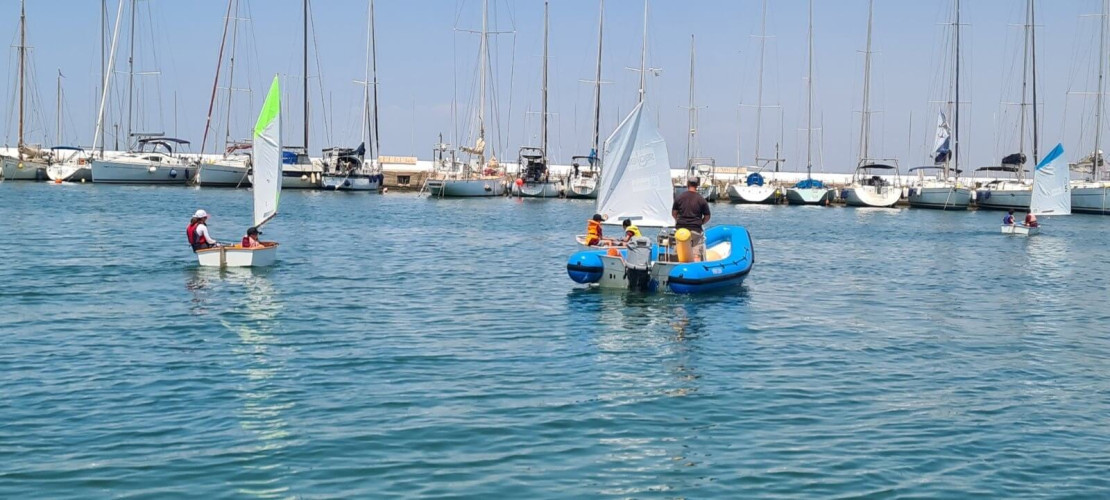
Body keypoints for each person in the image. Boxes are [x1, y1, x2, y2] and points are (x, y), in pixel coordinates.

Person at [672, 177, 711, 261]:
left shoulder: (679, 197)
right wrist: (700, 222)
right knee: (696, 254)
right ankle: (695, 267)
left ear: (687, 184)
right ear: (697, 185)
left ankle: (675, 266)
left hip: (681, 229)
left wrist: (679, 221)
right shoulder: (701, 199)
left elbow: (674, 213)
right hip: (695, 229)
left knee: (678, 253)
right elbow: (707, 216)